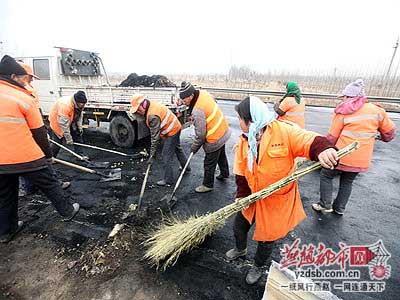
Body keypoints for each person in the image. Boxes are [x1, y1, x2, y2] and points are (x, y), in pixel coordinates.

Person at [225, 96, 338, 285]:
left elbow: (308, 140)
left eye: (239, 118)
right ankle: (240, 249)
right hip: (252, 196)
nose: (238, 122)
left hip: (275, 200)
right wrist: (242, 194)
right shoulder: (246, 139)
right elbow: (241, 169)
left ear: (251, 119)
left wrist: (324, 149)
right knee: (239, 226)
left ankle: (258, 266)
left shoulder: (283, 131)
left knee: (266, 239)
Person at [0, 55, 79, 243]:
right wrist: (48, 155)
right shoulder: (21, 97)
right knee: (50, 183)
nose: (28, 82)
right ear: (13, 76)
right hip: (26, 155)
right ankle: (68, 211)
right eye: (25, 78)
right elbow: (39, 132)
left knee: (5, 195)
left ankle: (6, 231)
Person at [313, 79, 396, 215]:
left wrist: (323, 152)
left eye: (344, 97)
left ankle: (325, 204)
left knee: (326, 175)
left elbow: (332, 137)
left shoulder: (343, 111)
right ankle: (339, 209)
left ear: (348, 97)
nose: (343, 100)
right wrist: (382, 137)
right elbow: (390, 132)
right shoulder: (377, 111)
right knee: (347, 181)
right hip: (360, 159)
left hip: (340, 156)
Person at [17, 62, 70, 195]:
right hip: (22, 136)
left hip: (30, 132)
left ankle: (30, 188)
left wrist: (42, 128)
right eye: (29, 77)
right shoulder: (18, 93)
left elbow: (34, 112)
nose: (32, 80)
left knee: (32, 161)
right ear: (16, 76)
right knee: (34, 161)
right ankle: (32, 188)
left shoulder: (27, 90)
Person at [179, 81, 231, 193]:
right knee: (221, 154)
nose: (184, 102)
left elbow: (201, 135)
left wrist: (193, 148)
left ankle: (208, 185)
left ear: (191, 96)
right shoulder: (203, 93)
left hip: (215, 137)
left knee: (209, 162)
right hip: (223, 129)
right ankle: (225, 173)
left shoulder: (197, 110)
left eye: (184, 99)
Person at [130, 94, 189, 186]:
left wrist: (152, 156)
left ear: (143, 104)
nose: (138, 112)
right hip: (176, 126)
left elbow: (155, 138)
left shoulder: (152, 116)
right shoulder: (150, 104)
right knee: (177, 148)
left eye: (138, 109)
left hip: (172, 131)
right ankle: (186, 167)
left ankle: (168, 180)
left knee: (165, 155)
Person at [48, 90, 88, 159]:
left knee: (78, 136)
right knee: (57, 142)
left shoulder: (80, 104)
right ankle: (51, 158)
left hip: (70, 119)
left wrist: (79, 128)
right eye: (81, 103)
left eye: (83, 103)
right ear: (76, 101)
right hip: (58, 121)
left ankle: (80, 155)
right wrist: (68, 138)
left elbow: (79, 116)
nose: (82, 105)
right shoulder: (65, 105)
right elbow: (63, 124)